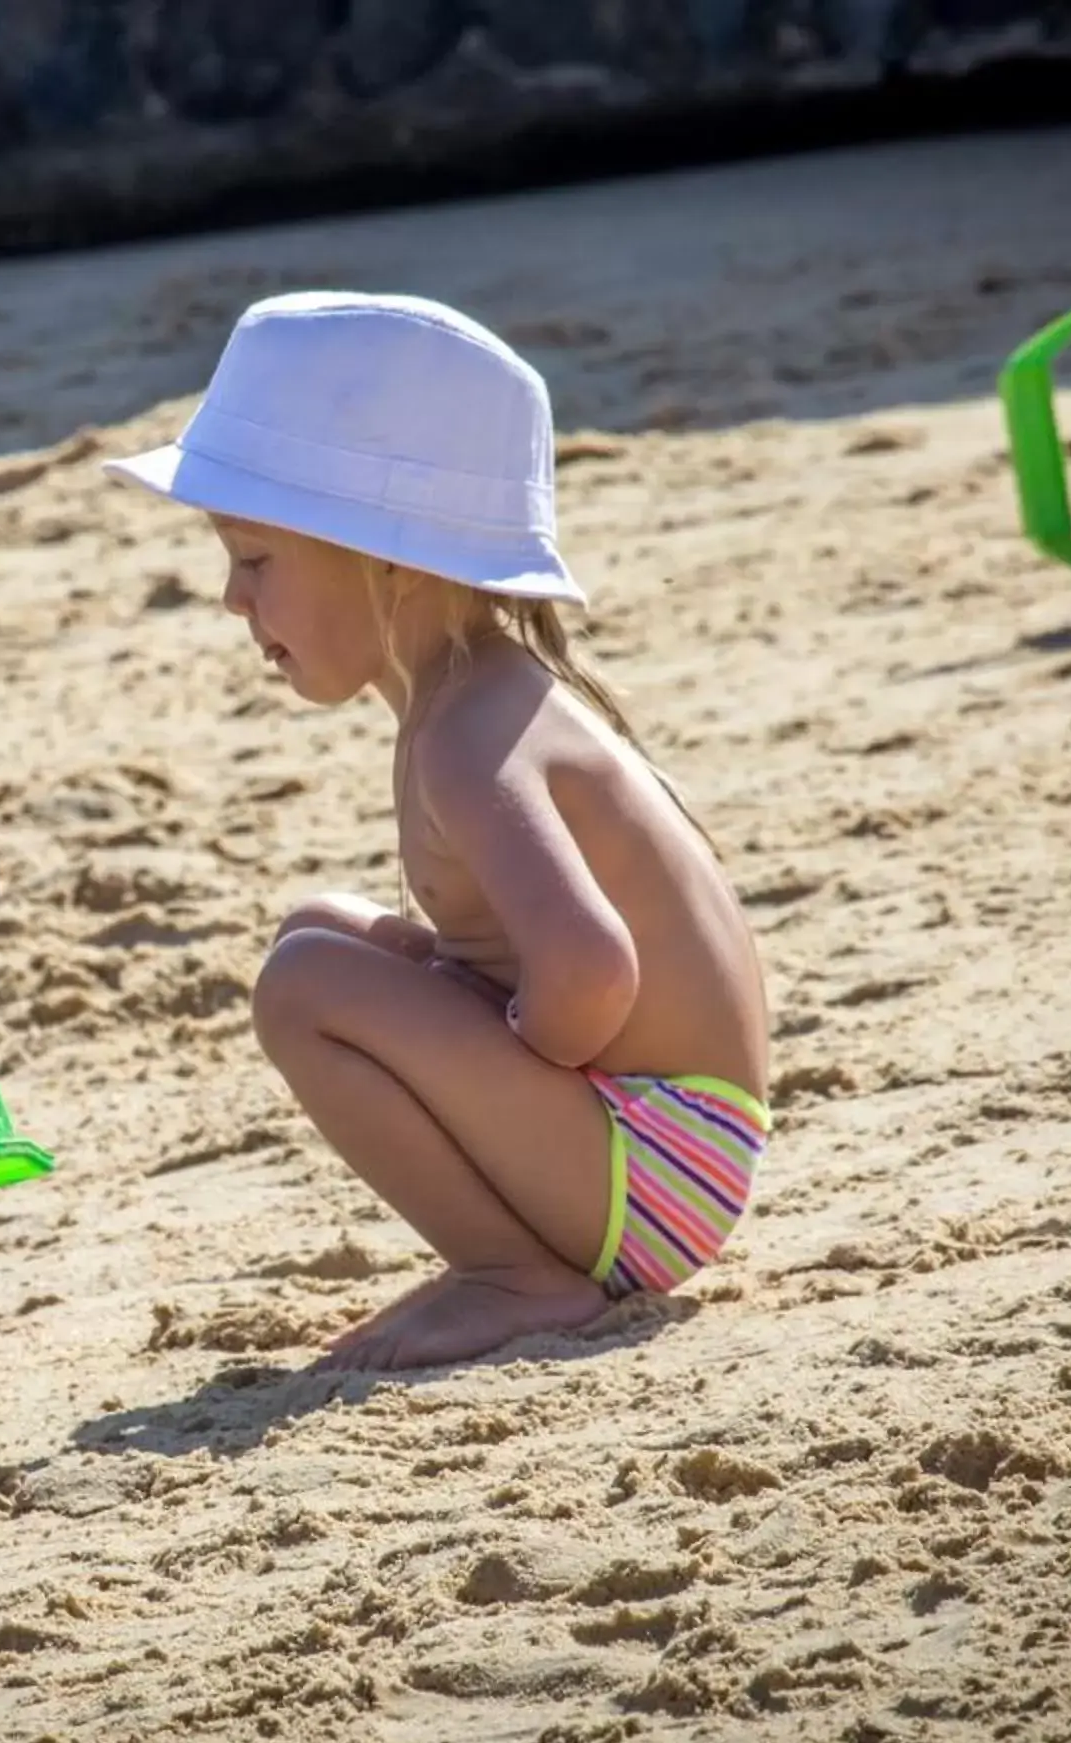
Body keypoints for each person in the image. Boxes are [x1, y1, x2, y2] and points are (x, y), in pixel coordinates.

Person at [104, 292, 774, 1370]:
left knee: (307, 988)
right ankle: (519, 1259)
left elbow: (594, 969)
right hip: (662, 1150)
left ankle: (514, 1275)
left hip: (653, 1165)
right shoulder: (475, 697)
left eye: (257, 558)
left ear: (391, 557)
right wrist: (476, 1009)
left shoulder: (469, 735)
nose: (233, 599)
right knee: (324, 930)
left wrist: (502, 1043)